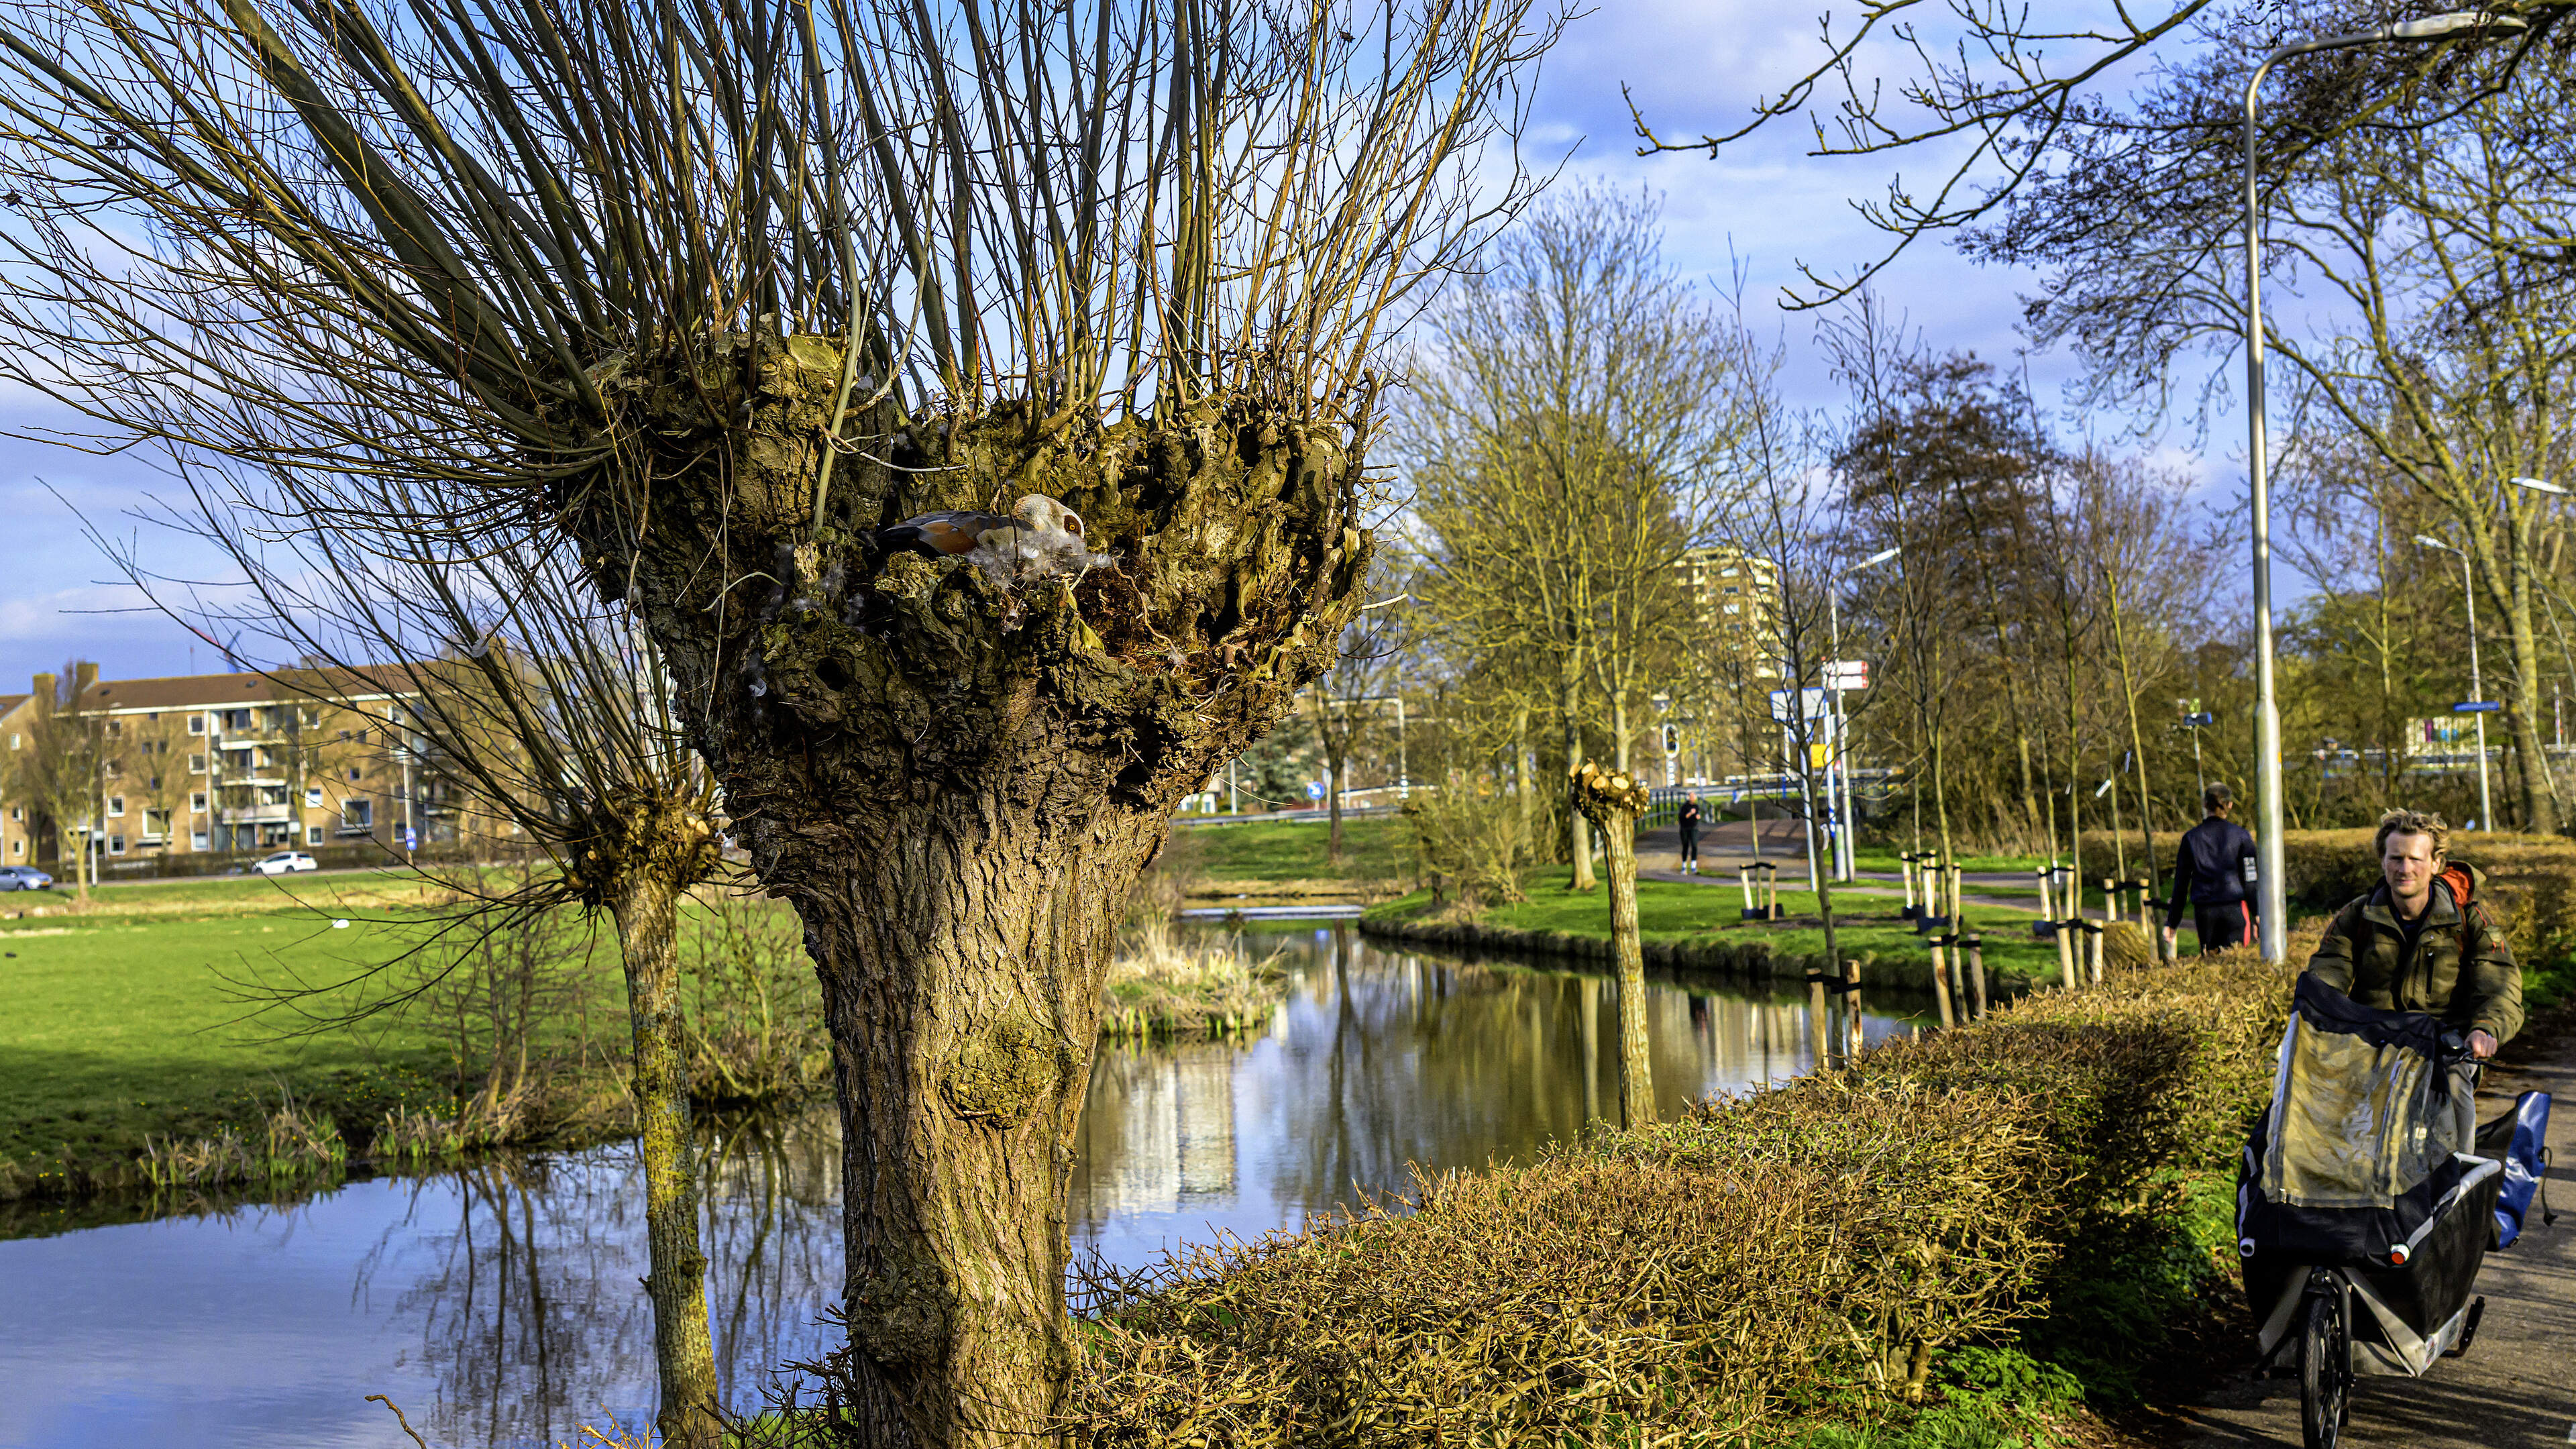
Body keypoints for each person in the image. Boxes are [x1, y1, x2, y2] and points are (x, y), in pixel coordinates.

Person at [2306, 808, 2520, 1059]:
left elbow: (2499, 984)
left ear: (2435, 863)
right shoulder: (2356, 916)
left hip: (2445, 1050)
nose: (2405, 869)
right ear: (2383, 861)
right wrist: (2314, 1020)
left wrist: (2486, 1029)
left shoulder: (2468, 918)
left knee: (2455, 1095)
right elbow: (2326, 977)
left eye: (2415, 859)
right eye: (2396, 858)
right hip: (2370, 1047)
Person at [2162, 784, 2259, 955]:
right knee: (2236, 964)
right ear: (2230, 805)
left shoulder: (2190, 839)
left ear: (2205, 805)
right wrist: (2257, 912)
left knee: (2211, 966)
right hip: (2235, 909)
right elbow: (2251, 879)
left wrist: (2172, 921)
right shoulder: (2242, 837)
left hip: (2205, 913)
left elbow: (2181, 884)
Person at [1677, 794, 1703, 875]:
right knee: (1685, 846)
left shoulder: (1696, 806)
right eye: (1691, 797)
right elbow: (1684, 817)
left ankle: (1693, 867)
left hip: (1694, 828)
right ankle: (1684, 867)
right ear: (1689, 798)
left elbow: (1698, 815)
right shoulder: (1685, 807)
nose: (1693, 798)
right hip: (1685, 829)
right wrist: (1691, 813)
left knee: (1694, 846)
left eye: (1694, 797)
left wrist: (1698, 816)